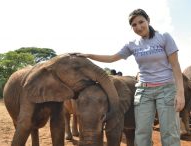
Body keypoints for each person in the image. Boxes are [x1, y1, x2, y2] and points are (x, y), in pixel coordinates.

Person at [78, 8, 185, 146]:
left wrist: (180, 93)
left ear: (148, 20)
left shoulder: (164, 37)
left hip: (166, 89)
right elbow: (112, 58)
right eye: (134, 25)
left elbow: (175, 66)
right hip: (144, 91)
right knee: (141, 133)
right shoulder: (132, 44)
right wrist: (89, 55)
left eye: (141, 22)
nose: (138, 27)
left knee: (169, 133)